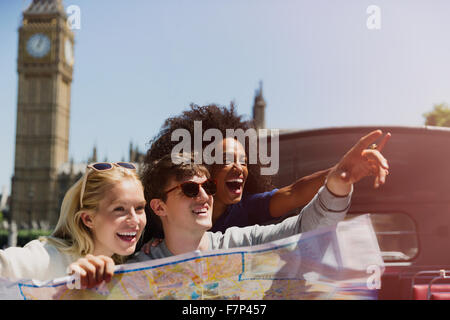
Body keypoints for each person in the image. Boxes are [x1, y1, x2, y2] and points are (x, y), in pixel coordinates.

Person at [142, 103, 390, 243]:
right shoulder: (166, 219)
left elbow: (294, 193)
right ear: (203, 169)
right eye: (228, 160)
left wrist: (341, 172)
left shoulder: (244, 217)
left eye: (244, 161)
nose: (239, 168)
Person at [132, 129, 389, 261]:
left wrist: (339, 178)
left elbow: (303, 226)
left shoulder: (242, 237)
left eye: (207, 187)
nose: (203, 196)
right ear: (158, 207)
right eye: (190, 189)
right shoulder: (137, 264)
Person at [0, 162, 146, 289]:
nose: (134, 220)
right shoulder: (49, 258)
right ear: (88, 218)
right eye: (119, 209)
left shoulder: (130, 268)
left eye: (139, 208)